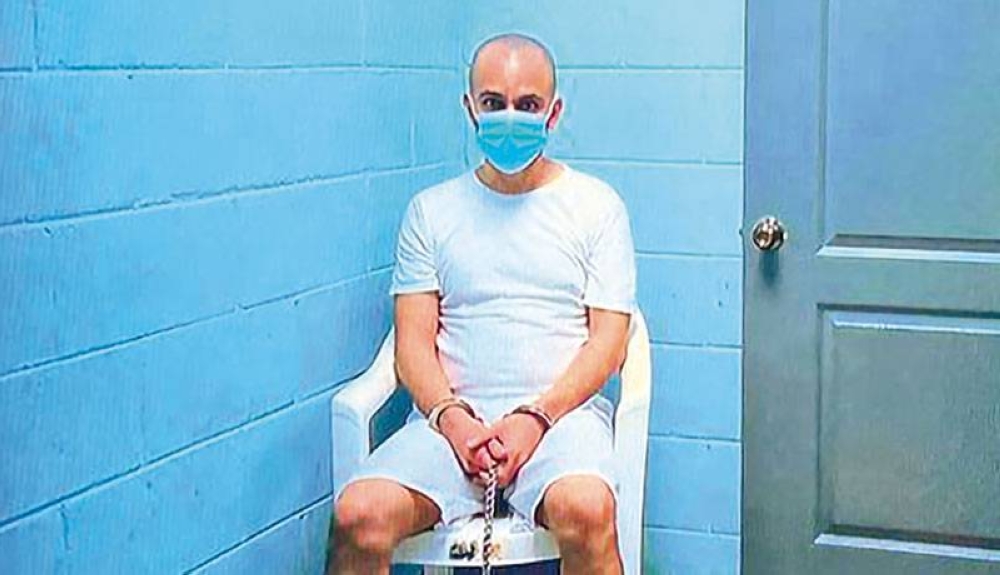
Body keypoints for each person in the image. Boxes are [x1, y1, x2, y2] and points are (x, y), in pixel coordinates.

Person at [328, 32, 636, 575]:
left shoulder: (596, 207)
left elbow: (609, 343)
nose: (509, 118)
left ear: (554, 113)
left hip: (560, 422)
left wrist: (535, 418)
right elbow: (412, 344)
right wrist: (453, 420)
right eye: (494, 103)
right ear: (471, 109)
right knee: (358, 514)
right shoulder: (431, 212)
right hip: (451, 427)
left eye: (528, 105)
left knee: (588, 509)